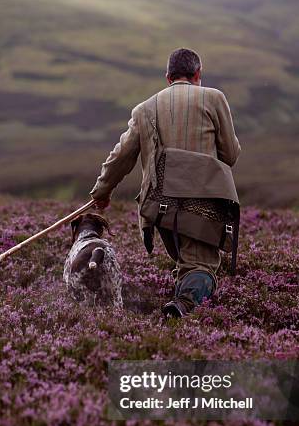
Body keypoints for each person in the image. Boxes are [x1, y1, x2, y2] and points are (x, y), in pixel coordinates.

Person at [90, 48, 241, 317]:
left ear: (167, 77)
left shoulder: (144, 109)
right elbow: (230, 154)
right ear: (198, 75)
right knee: (200, 266)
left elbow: (121, 157)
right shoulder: (214, 98)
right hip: (204, 204)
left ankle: (175, 318)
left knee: (185, 261)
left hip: (160, 207)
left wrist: (102, 191)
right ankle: (181, 308)